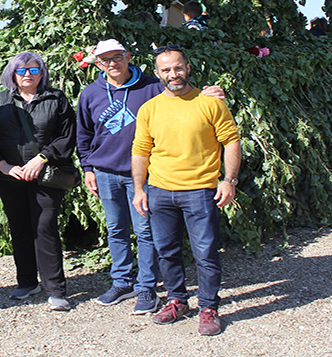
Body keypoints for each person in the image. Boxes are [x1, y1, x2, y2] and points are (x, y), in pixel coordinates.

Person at [77, 39, 224, 314]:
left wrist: (213, 95)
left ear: (128, 56)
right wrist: (87, 168)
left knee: (146, 232)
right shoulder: (90, 94)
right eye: (105, 59)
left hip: (142, 174)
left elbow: (182, 92)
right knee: (116, 229)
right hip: (105, 172)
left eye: (117, 57)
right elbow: (83, 134)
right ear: (98, 64)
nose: (112, 63)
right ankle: (122, 282)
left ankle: (146, 288)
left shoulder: (152, 85)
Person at [131, 46, 241, 336]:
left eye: (178, 68)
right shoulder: (149, 109)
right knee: (166, 252)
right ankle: (177, 300)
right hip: (160, 191)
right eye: (166, 70)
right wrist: (139, 189)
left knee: (205, 252)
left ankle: (208, 307)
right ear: (157, 74)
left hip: (201, 191)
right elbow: (141, 151)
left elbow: (230, 141)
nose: (173, 74)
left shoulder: (210, 104)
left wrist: (229, 180)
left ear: (188, 68)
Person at [0, 52, 76, 311]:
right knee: (20, 227)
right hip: (9, 177)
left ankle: (55, 289)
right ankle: (26, 281)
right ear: (12, 73)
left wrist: (41, 158)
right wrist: (3, 165)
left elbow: (67, 137)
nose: (27, 75)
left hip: (45, 176)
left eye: (34, 71)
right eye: (21, 70)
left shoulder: (56, 99)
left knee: (44, 227)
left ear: (42, 73)